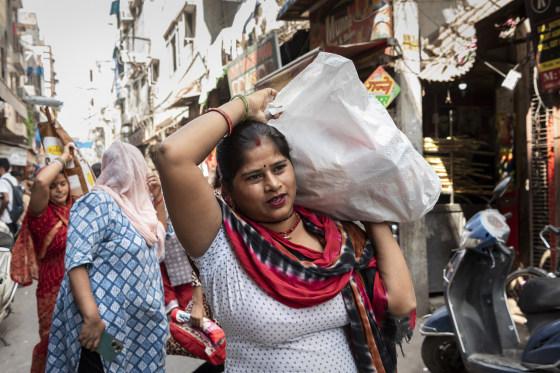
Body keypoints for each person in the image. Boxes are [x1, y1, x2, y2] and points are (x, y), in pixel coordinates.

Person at [157, 89, 417, 372]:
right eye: (254, 176)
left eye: (280, 168)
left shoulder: (335, 235)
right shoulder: (219, 242)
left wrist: (367, 208)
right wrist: (246, 104)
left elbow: (401, 303)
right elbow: (172, 155)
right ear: (229, 189)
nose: (273, 184)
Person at [46, 141, 168, 372]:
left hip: (140, 328)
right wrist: (92, 318)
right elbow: (76, 261)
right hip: (105, 327)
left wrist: (158, 196)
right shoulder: (97, 203)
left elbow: (158, 233)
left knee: (131, 367)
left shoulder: (140, 209)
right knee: (108, 365)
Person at [9, 144, 75, 373]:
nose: (59, 190)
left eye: (63, 183)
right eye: (53, 185)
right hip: (52, 290)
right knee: (54, 344)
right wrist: (64, 157)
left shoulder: (76, 208)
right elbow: (39, 183)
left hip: (84, 287)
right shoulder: (41, 215)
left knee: (95, 336)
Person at [0, 157, 20, 234]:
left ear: (1, 169)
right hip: (13, 216)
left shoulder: (2, 181)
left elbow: (6, 199)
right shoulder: (12, 179)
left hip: (5, 218)